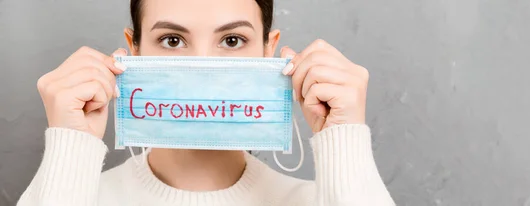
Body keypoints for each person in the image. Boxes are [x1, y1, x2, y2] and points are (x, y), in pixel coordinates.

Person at [17, 0, 395, 205]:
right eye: (172, 40)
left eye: (232, 41)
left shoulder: (322, 200)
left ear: (269, 50)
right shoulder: (75, 195)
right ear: (133, 50)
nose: (200, 67)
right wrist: (70, 146)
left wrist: (345, 138)